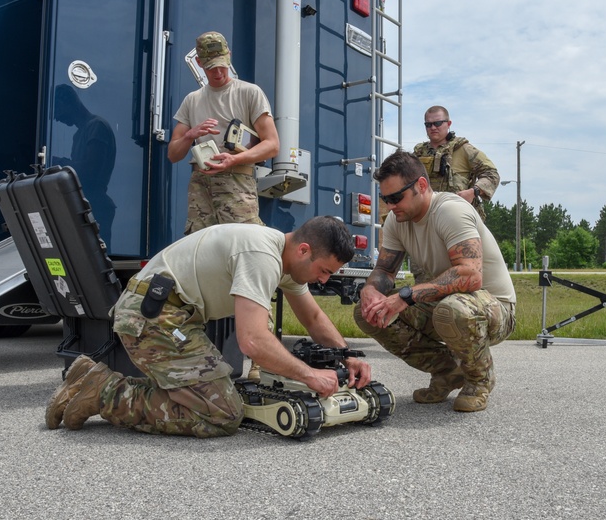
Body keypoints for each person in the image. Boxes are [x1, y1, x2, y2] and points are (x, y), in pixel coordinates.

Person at [45, 216, 372, 437]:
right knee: (223, 413)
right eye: (324, 270)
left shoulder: (285, 261)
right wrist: (310, 375)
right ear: (304, 250)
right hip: (151, 316)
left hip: (172, 316)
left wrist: (346, 356)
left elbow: (313, 318)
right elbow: (253, 341)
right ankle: (102, 391)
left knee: (214, 396)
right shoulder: (262, 254)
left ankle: (97, 381)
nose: (324, 280)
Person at [354, 152, 515, 413]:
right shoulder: (397, 220)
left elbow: (470, 274)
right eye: (385, 199)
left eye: (396, 197)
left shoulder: (450, 210)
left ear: (420, 185)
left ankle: (479, 379)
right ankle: (448, 372)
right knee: (369, 313)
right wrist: (371, 290)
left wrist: (404, 297)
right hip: (446, 303)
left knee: (452, 310)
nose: (391, 205)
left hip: (496, 308)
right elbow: (384, 269)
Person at [166, 31, 280, 235]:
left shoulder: (249, 93)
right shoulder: (192, 100)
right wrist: (190, 135)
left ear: (229, 56)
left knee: (243, 245)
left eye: (222, 65)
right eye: (211, 68)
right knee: (201, 250)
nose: (218, 72)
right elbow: (173, 154)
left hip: (237, 184)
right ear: (200, 63)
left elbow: (272, 145)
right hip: (201, 189)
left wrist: (234, 160)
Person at [52, 84, 117, 243]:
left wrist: (59, 164)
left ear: (69, 103)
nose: (57, 118)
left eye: (58, 111)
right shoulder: (79, 134)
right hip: (86, 202)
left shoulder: (96, 126)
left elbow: (90, 169)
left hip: (96, 205)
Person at [412, 105, 499, 222]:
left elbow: (492, 174)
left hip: (458, 219)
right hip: (427, 219)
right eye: (428, 124)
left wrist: (473, 191)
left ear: (448, 124)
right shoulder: (418, 153)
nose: (433, 127)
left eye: (437, 123)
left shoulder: (463, 149)